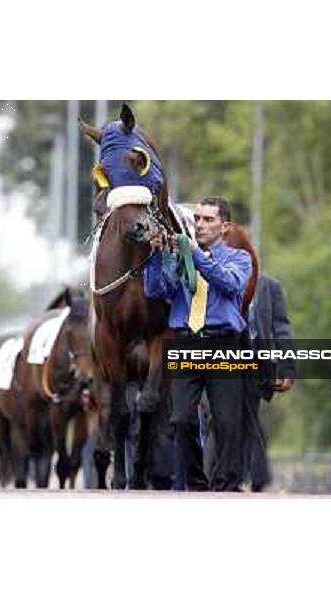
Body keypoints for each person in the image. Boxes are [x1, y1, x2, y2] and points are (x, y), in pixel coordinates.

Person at [144, 196, 252, 491]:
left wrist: (196, 255)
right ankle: (196, 485)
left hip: (223, 345)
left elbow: (229, 284)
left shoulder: (238, 258)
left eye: (208, 220)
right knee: (180, 419)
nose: (200, 225)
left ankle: (226, 486)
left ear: (225, 226)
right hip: (185, 342)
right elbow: (156, 290)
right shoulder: (182, 257)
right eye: (198, 219)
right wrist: (155, 257)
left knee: (227, 423)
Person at [245, 272, 296, 491]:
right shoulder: (207, 274)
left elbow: (281, 328)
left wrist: (288, 368)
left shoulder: (269, 286)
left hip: (256, 365)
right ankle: (216, 480)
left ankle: (257, 478)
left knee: (247, 416)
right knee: (216, 418)